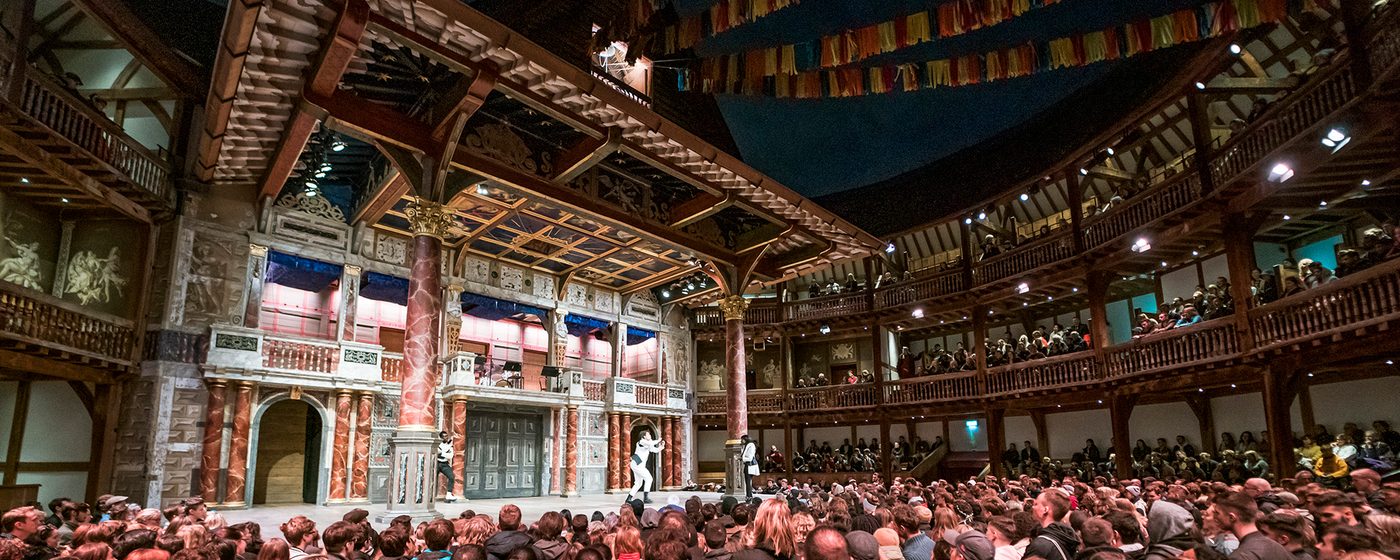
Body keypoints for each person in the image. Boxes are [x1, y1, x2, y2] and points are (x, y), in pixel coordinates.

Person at [1209, 492, 1291, 560]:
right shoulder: (1276, 546)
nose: (1214, 517)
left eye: (1217, 513)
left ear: (1232, 517)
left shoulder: (1241, 556)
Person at [628, 429, 665, 503]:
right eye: (648, 434)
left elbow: (654, 450)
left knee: (638, 483)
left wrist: (661, 446)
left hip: (638, 464)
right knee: (649, 479)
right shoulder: (641, 441)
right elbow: (651, 443)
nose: (650, 435)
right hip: (637, 463)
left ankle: (628, 499)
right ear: (644, 436)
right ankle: (645, 498)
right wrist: (658, 440)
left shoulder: (647, 444)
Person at [437, 431, 457, 503]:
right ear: (441, 437)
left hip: (444, 464)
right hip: (437, 463)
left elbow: (450, 456)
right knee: (432, 479)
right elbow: (436, 453)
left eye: (447, 436)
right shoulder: (438, 444)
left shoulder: (449, 445)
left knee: (451, 477)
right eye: (444, 436)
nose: (446, 437)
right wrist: (444, 453)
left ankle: (448, 494)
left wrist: (442, 453)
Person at [741, 434, 760, 500]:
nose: (742, 441)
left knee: (748, 481)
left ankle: (749, 495)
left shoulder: (751, 445)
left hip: (750, 465)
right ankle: (749, 495)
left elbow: (750, 457)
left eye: (742, 439)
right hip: (748, 465)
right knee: (748, 482)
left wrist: (742, 458)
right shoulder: (747, 445)